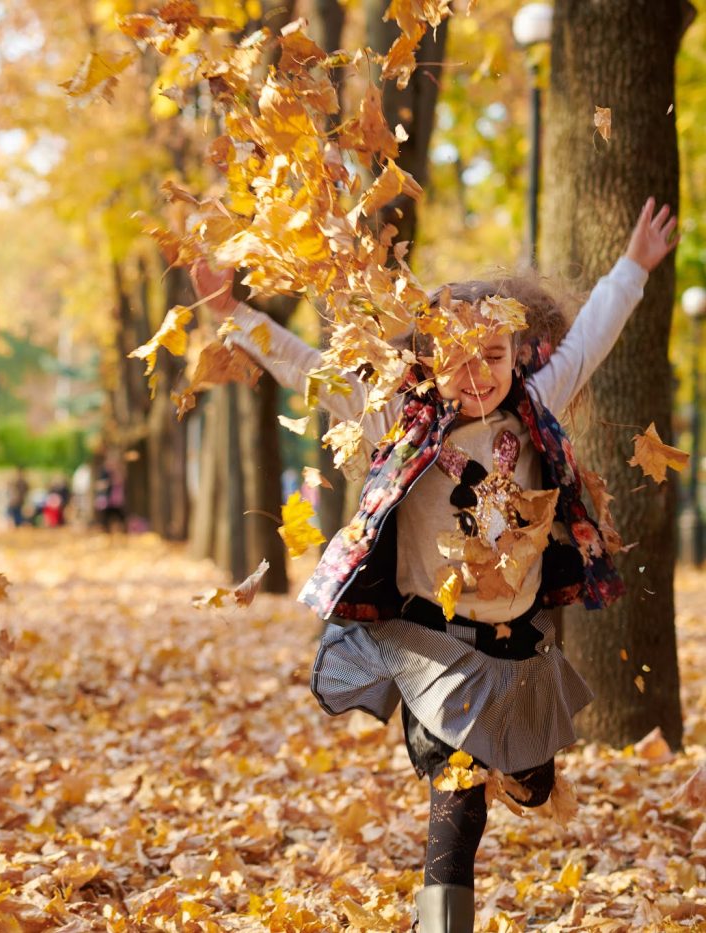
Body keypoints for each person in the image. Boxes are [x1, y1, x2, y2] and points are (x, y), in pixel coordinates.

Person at [192, 198, 677, 932]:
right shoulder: (399, 414)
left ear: (518, 355)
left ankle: (524, 767)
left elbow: (590, 339)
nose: (476, 372)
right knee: (457, 800)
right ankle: (440, 921)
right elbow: (307, 370)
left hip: (514, 642)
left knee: (531, 775)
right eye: (456, 356)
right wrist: (233, 311)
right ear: (428, 358)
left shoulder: (535, 406)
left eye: (493, 355)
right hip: (432, 645)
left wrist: (633, 268)